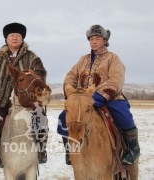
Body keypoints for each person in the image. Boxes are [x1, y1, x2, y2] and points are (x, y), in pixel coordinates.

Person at [57, 24, 140, 166]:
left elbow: (116, 79)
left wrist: (98, 96)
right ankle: (70, 150)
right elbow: (71, 76)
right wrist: (71, 92)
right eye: (91, 39)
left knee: (124, 115)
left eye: (97, 38)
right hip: (84, 101)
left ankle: (133, 149)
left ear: (104, 40)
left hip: (110, 99)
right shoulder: (83, 60)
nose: (94, 41)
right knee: (63, 117)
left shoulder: (113, 58)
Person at [0, 22, 48, 166]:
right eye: (11, 35)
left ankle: (40, 151)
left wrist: (34, 87)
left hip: (27, 101)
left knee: (40, 119)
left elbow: (41, 75)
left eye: (18, 35)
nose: (14, 38)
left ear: (22, 38)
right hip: (2, 99)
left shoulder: (32, 57)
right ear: (6, 38)